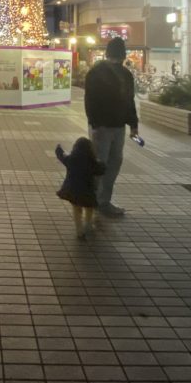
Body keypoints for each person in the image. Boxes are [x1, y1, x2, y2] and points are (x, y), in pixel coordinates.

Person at [83, 36, 139, 218]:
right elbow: (129, 101)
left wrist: (94, 122)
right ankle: (97, 201)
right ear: (122, 54)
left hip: (108, 126)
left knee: (108, 164)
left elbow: (89, 100)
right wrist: (133, 125)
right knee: (105, 164)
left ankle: (101, 201)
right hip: (109, 127)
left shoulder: (98, 72)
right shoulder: (117, 74)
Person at [56, 138, 106, 239]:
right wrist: (102, 163)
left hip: (73, 190)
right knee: (89, 208)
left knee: (76, 209)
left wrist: (58, 149)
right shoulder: (92, 162)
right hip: (87, 191)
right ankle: (88, 225)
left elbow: (62, 157)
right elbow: (101, 170)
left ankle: (79, 230)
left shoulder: (71, 159)